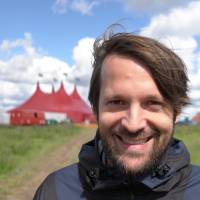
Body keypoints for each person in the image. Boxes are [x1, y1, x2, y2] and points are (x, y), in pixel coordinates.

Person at [33, 29, 200, 200]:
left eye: (153, 103)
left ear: (176, 112)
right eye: (117, 102)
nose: (133, 124)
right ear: (96, 110)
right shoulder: (54, 191)